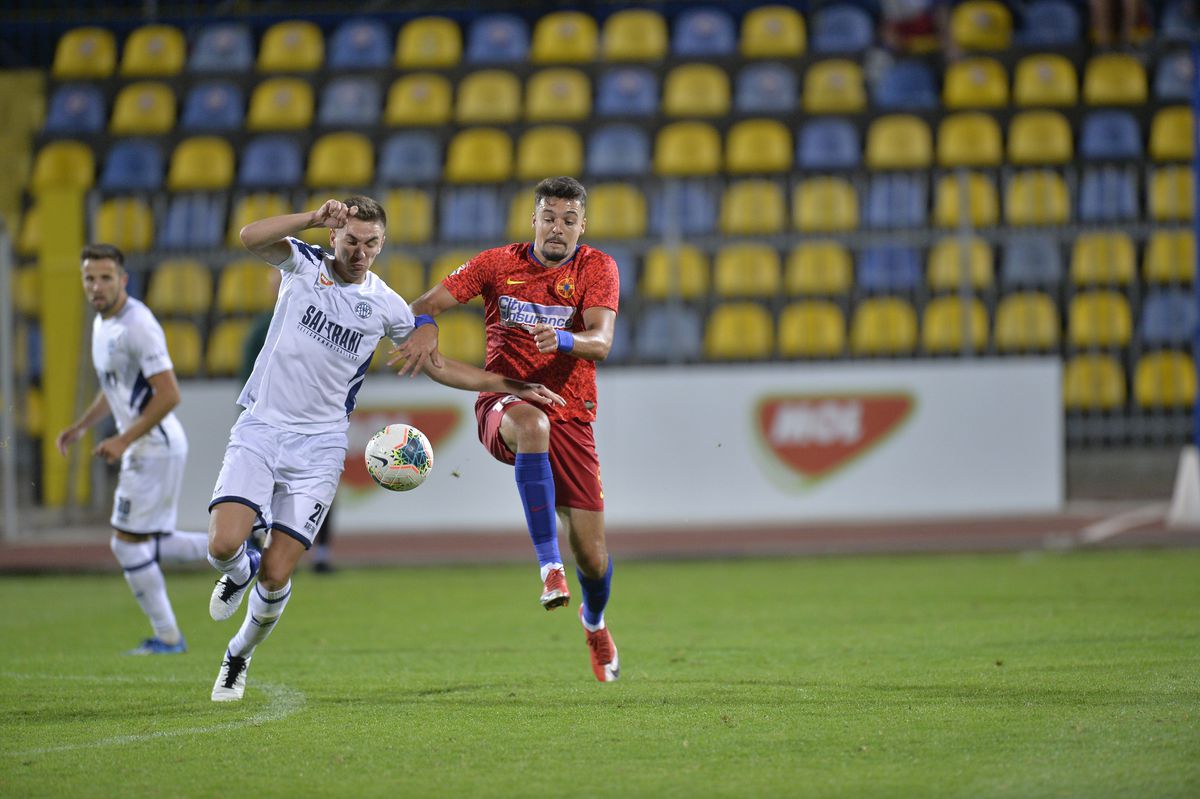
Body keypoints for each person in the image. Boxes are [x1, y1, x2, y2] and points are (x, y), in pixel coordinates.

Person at [207, 195, 564, 702]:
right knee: (223, 546)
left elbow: (439, 365)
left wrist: (512, 386)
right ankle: (235, 572)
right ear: (334, 236)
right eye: (351, 240)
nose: (360, 252)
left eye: (371, 244)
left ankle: (238, 654)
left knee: (277, 572)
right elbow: (248, 237)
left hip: (321, 447)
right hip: (262, 426)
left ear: (382, 244)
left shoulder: (387, 305)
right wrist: (310, 217)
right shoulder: (302, 266)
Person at [391, 176, 621, 682]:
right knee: (532, 423)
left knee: (596, 559)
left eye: (568, 219)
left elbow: (601, 342)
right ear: (532, 219)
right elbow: (424, 305)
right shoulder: (497, 263)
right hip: (506, 402)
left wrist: (561, 341)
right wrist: (426, 327)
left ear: (583, 225)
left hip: (573, 413)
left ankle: (594, 620)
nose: (557, 228)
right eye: (548, 217)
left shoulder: (598, 267)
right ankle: (548, 568)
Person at [55, 243, 210, 655]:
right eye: (90, 278)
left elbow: (170, 394)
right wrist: (81, 427)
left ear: (123, 280)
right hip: (149, 445)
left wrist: (124, 439)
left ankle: (169, 637)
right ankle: (240, 550)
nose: (97, 286)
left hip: (152, 447)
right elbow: (115, 387)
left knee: (127, 543)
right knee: (147, 540)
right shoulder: (102, 323)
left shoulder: (138, 325)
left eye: (106, 277)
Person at [238, 269, 336, 574]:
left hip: (314, 423)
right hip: (274, 423)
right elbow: (251, 380)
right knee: (271, 489)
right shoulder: (263, 329)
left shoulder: (320, 323)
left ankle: (318, 552)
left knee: (319, 487)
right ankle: (263, 547)